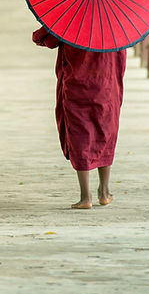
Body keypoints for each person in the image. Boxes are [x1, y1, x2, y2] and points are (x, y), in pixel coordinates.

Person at [33, 27, 126, 209]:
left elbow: (45, 39)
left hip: (77, 85)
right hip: (106, 87)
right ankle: (104, 191)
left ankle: (86, 196)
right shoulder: (118, 26)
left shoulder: (72, 20)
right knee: (105, 132)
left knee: (80, 135)